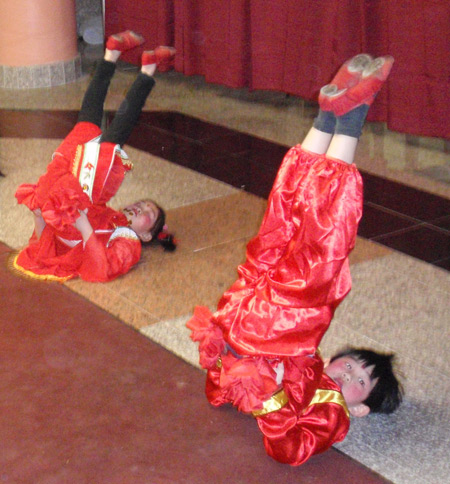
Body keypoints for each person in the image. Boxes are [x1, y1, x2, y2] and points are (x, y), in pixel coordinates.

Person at [187, 53, 403, 465]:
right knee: (281, 222)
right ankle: (327, 118)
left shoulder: (333, 414)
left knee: (324, 240)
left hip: (266, 324)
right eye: (354, 365)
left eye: (360, 383)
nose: (349, 374)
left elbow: (289, 450)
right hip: (254, 314)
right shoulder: (314, 365)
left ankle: (352, 116)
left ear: (360, 409)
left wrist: (271, 397)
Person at [13, 31, 176, 283]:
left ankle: (131, 62)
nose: (141, 206)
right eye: (144, 204)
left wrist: (41, 215)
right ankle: (116, 57)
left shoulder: (129, 242)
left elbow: (100, 268)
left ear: (146, 235)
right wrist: (73, 218)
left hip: (67, 197)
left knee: (97, 127)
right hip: (74, 196)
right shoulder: (114, 219)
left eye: (149, 213)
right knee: (96, 127)